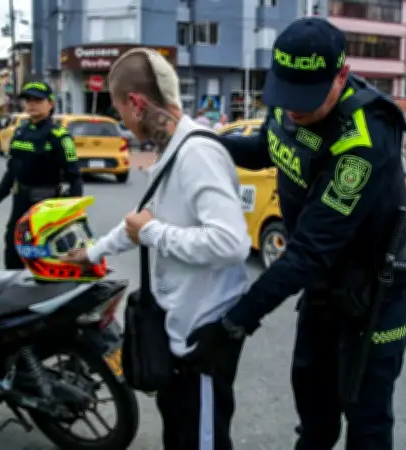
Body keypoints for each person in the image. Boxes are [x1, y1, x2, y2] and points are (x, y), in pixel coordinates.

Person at [184, 18, 406, 450]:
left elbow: (308, 250)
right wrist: (202, 141)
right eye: (285, 94)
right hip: (323, 287)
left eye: (305, 97)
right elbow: (267, 149)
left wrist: (236, 323)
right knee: (313, 407)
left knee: (366, 421)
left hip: (373, 294)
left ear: (341, 77)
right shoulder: (289, 100)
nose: (293, 108)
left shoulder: (362, 142)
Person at [62, 48, 251, 450]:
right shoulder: (173, 149)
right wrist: (92, 253)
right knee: (180, 434)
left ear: (136, 102)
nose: (125, 126)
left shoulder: (197, 152)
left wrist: (154, 234)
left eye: (121, 113)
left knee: (201, 440)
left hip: (203, 335)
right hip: (181, 331)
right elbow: (139, 220)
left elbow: (232, 243)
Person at [0, 80, 83, 269]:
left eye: (38, 100)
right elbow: (11, 172)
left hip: (47, 204)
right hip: (20, 200)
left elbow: (74, 176)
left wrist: (73, 214)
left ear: (50, 103)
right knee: (13, 247)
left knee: (45, 253)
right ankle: (14, 287)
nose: (32, 104)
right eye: (28, 100)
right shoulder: (20, 132)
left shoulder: (60, 136)